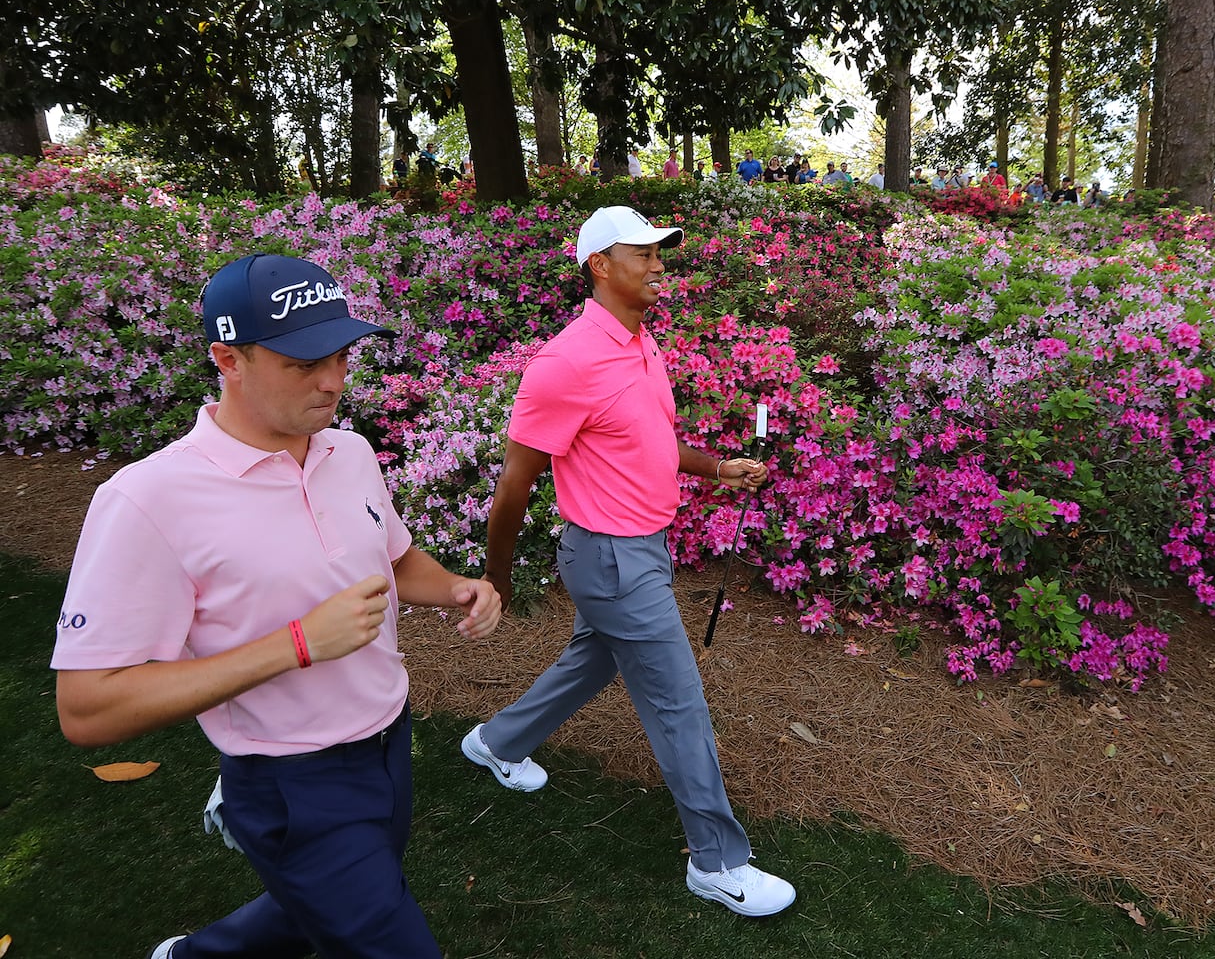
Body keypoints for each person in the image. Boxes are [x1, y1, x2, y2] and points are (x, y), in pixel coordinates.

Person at [53, 253, 505, 959]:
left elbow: (388, 557)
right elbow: (86, 707)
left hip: (389, 744)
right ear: (226, 359)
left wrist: (452, 587)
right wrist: (297, 643)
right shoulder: (147, 501)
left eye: (341, 355)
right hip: (289, 783)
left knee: (310, 909)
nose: (333, 381)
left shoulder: (348, 451)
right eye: (302, 363)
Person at [463, 205, 797, 918]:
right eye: (641, 253)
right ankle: (716, 862)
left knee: (595, 659)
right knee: (678, 705)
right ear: (598, 265)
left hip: (639, 547)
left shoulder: (639, 343)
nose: (656, 265)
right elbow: (514, 485)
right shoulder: (565, 362)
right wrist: (497, 579)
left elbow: (646, 438)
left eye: (659, 253)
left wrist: (716, 469)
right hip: (611, 559)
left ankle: (497, 742)